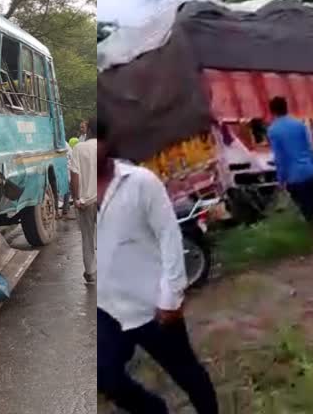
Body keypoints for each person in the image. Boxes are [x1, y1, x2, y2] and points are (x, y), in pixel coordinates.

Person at [96, 114, 218, 414]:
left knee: (186, 373)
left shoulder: (140, 182)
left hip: (153, 305)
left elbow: (169, 237)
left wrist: (172, 295)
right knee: (105, 375)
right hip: (107, 308)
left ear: (107, 143)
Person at [267, 96, 313, 249]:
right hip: (310, 171)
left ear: (272, 111)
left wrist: (281, 179)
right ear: (286, 107)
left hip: (294, 177)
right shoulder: (299, 125)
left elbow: (280, 157)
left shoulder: (273, 131)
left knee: (308, 212)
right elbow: (310, 149)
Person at [70, 120, 97, 283]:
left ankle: (90, 273)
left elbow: (75, 176)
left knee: (87, 237)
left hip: (86, 201)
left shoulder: (79, 148)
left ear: (89, 130)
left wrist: (76, 198)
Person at [61, 137, 80, 218]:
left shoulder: (63, 144)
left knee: (67, 189)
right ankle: (65, 209)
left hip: (66, 169)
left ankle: (66, 208)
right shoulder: (65, 144)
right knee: (68, 189)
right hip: (67, 169)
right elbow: (72, 158)